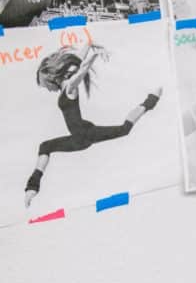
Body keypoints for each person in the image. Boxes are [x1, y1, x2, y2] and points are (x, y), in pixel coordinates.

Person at [25, 44, 162, 207]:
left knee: (124, 129)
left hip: (83, 136)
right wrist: (89, 45)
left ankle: (150, 101)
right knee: (123, 129)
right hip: (82, 133)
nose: (47, 90)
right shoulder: (67, 86)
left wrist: (95, 54)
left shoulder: (69, 88)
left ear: (51, 79)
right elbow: (79, 61)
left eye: (45, 86)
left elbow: (82, 70)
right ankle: (32, 187)